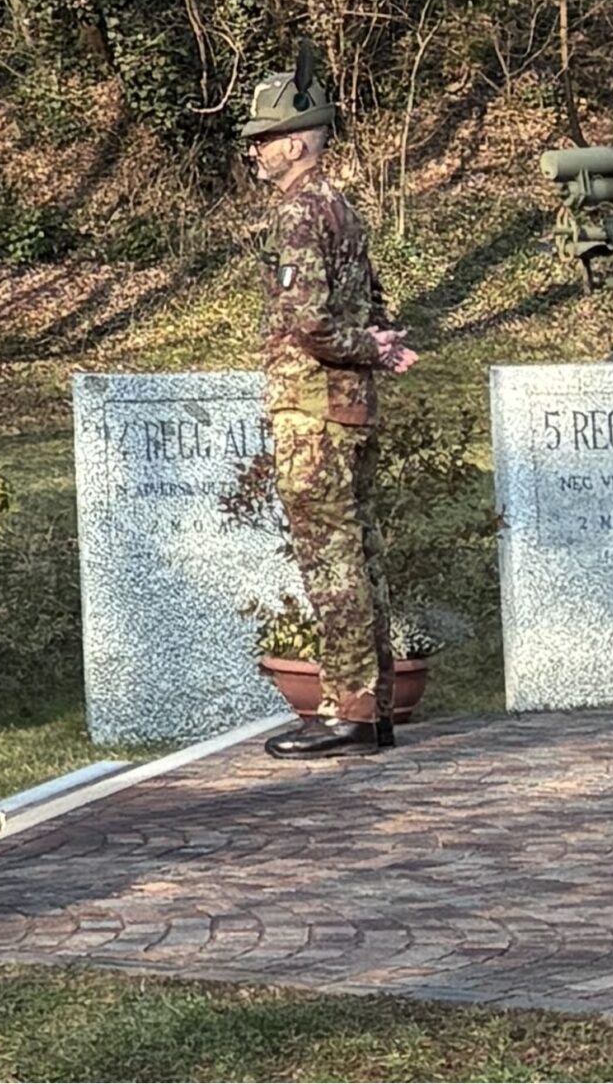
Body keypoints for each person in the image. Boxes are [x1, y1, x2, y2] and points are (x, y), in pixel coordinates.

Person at [242, 49, 417, 760]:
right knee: (362, 554)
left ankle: (347, 709)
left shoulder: (297, 212)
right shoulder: (341, 207)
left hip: (313, 409)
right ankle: (370, 711)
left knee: (331, 560)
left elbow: (309, 322)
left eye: (262, 139)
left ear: (296, 141)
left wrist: (370, 349)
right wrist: (377, 345)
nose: (255, 152)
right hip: (349, 408)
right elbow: (373, 302)